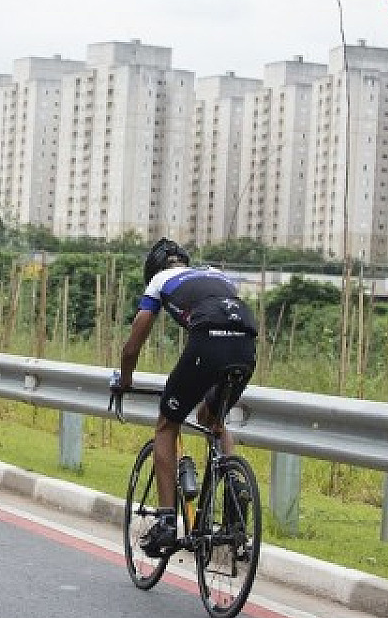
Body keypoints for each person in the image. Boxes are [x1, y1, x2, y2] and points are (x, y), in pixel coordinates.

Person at [114, 237, 258, 556]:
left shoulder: (159, 280)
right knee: (212, 419)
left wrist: (125, 380)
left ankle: (167, 521)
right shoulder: (216, 274)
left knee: (167, 424)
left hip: (208, 342)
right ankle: (234, 488)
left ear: (152, 269)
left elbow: (133, 344)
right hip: (246, 346)